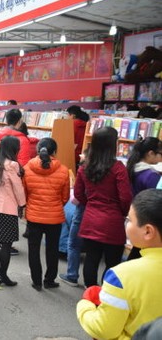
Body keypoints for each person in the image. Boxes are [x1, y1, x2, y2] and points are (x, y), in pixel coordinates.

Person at [77, 189, 162, 339]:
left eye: (129, 219)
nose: (126, 223)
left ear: (148, 231)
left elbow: (104, 330)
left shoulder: (121, 276)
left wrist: (85, 305)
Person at [74, 127, 133, 288]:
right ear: (113, 144)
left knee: (91, 257)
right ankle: (107, 292)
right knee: (112, 261)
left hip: (91, 218)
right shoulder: (118, 168)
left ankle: (90, 291)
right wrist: (121, 212)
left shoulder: (84, 167)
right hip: (112, 221)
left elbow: (78, 194)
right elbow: (125, 197)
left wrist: (90, 204)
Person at [23, 138, 70, 291]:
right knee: (52, 249)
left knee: (34, 249)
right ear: (54, 152)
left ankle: (36, 281)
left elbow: (24, 194)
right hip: (55, 217)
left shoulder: (27, 169)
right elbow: (65, 198)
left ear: (38, 150)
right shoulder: (63, 170)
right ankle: (49, 280)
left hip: (33, 216)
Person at [0, 136, 26, 287]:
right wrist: (22, 204)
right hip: (8, 208)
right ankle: (3, 275)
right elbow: (18, 188)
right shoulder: (12, 165)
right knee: (6, 244)